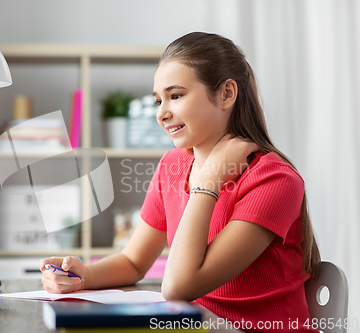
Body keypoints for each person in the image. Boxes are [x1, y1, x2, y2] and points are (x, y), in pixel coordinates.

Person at [39, 32, 320, 332]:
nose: (162, 113)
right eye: (158, 100)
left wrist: (209, 180)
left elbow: (178, 287)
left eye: (176, 96)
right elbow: (134, 261)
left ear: (226, 94)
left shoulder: (275, 180)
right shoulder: (172, 167)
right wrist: (84, 276)